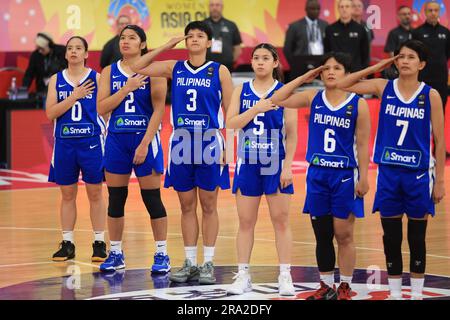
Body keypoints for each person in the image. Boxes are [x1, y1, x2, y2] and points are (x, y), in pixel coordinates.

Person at [337, 39, 445, 300]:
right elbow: (342, 84)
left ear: (422, 64)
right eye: (400, 57)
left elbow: (440, 142)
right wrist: (380, 65)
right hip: (389, 173)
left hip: (419, 174)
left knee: (417, 238)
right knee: (391, 237)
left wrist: (439, 181)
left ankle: (417, 294)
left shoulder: (430, 95)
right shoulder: (383, 87)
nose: (404, 61)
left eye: (410, 57)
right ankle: (395, 293)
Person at [131, 21, 233, 285]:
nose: (195, 39)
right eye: (190, 36)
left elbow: (232, 113)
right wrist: (166, 46)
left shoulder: (220, 71)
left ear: (209, 42)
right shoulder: (173, 68)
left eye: (201, 36)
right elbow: (137, 66)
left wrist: (230, 149)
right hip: (181, 142)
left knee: (209, 205)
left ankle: (207, 262)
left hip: (210, 141)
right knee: (186, 205)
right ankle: (189, 262)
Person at [271, 52, 371, 300]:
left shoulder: (358, 103)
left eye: (337, 68)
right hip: (317, 174)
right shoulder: (313, 97)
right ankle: (326, 285)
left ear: (347, 73)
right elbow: (277, 98)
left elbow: (362, 144)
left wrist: (365, 177)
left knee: (343, 233)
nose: (331, 72)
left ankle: (345, 285)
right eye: (326, 68)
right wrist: (305, 77)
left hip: (344, 176)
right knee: (322, 234)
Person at [225, 43, 298, 296]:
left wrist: (288, 166)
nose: (260, 62)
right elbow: (230, 124)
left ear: (276, 63)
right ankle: (243, 275)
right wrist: (256, 108)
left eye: (266, 58)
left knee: (281, 221)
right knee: (245, 222)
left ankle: (285, 275)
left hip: (275, 164)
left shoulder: (284, 93)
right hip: (248, 163)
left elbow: (292, 135)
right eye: (256, 58)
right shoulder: (241, 90)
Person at [97, 25, 170, 274]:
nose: (125, 41)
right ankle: (115, 252)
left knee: (152, 199)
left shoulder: (155, 70)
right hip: (117, 140)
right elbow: (101, 107)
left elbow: (159, 110)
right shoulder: (108, 71)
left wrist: (144, 143)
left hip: (145, 140)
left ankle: (162, 253)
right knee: (116, 199)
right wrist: (126, 89)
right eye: (122, 38)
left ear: (142, 44)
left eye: (132, 38)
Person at [45, 36, 107, 262]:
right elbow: (51, 113)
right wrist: (74, 97)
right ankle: (68, 242)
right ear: (65, 54)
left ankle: (99, 242)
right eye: (70, 48)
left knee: (95, 193)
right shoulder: (56, 80)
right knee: (67, 194)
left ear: (86, 53)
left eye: (78, 48)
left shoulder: (97, 78)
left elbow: (105, 109)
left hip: (91, 142)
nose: (73, 52)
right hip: (64, 143)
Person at [412, 1, 450, 111]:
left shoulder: (446, 32)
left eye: (436, 10)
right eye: (430, 10)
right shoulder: (417, 32)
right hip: (423, 77)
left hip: (441, 77)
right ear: (425, 12)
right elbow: (414, 54)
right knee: (421, 109)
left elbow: (447, 53)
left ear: (439, 12)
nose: (433, 13)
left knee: (440, 108)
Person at [283, 0, 328, 79]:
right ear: (306, 9)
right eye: (313, 9)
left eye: (318, 9)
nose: (316, 11)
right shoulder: (294, 26)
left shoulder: (325, 25)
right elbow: (287, 49)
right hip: (300, 65)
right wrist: (294, 64)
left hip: (321, 65)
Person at [324, 0, 369, 72]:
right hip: (336, 71)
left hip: (355, 72)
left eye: (347, 6)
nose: (344, 9)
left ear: (352, 9)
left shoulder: (360, 29)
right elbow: (327, 52)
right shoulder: (330, 29)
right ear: (338, 9)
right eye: (341, 7)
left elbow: (365, 54)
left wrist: (363, 72)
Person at [204, 0, 242, 72]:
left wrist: (230, 61)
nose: (214, 8)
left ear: (222, 7)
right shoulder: (202, 25)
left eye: (217, 5)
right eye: (212, 5)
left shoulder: (231, 25)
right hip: (206, 66)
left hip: (227, 67)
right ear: (208, 7)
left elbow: (237, 48)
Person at [384, 6, 413, 79]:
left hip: (413, 70)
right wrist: (401, 66)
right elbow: (392, 53)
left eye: (409, 14)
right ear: (398, 17)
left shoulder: (416, 32)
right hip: (398, 70)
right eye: (404, 14)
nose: (407, 16)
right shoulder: (394, 33)